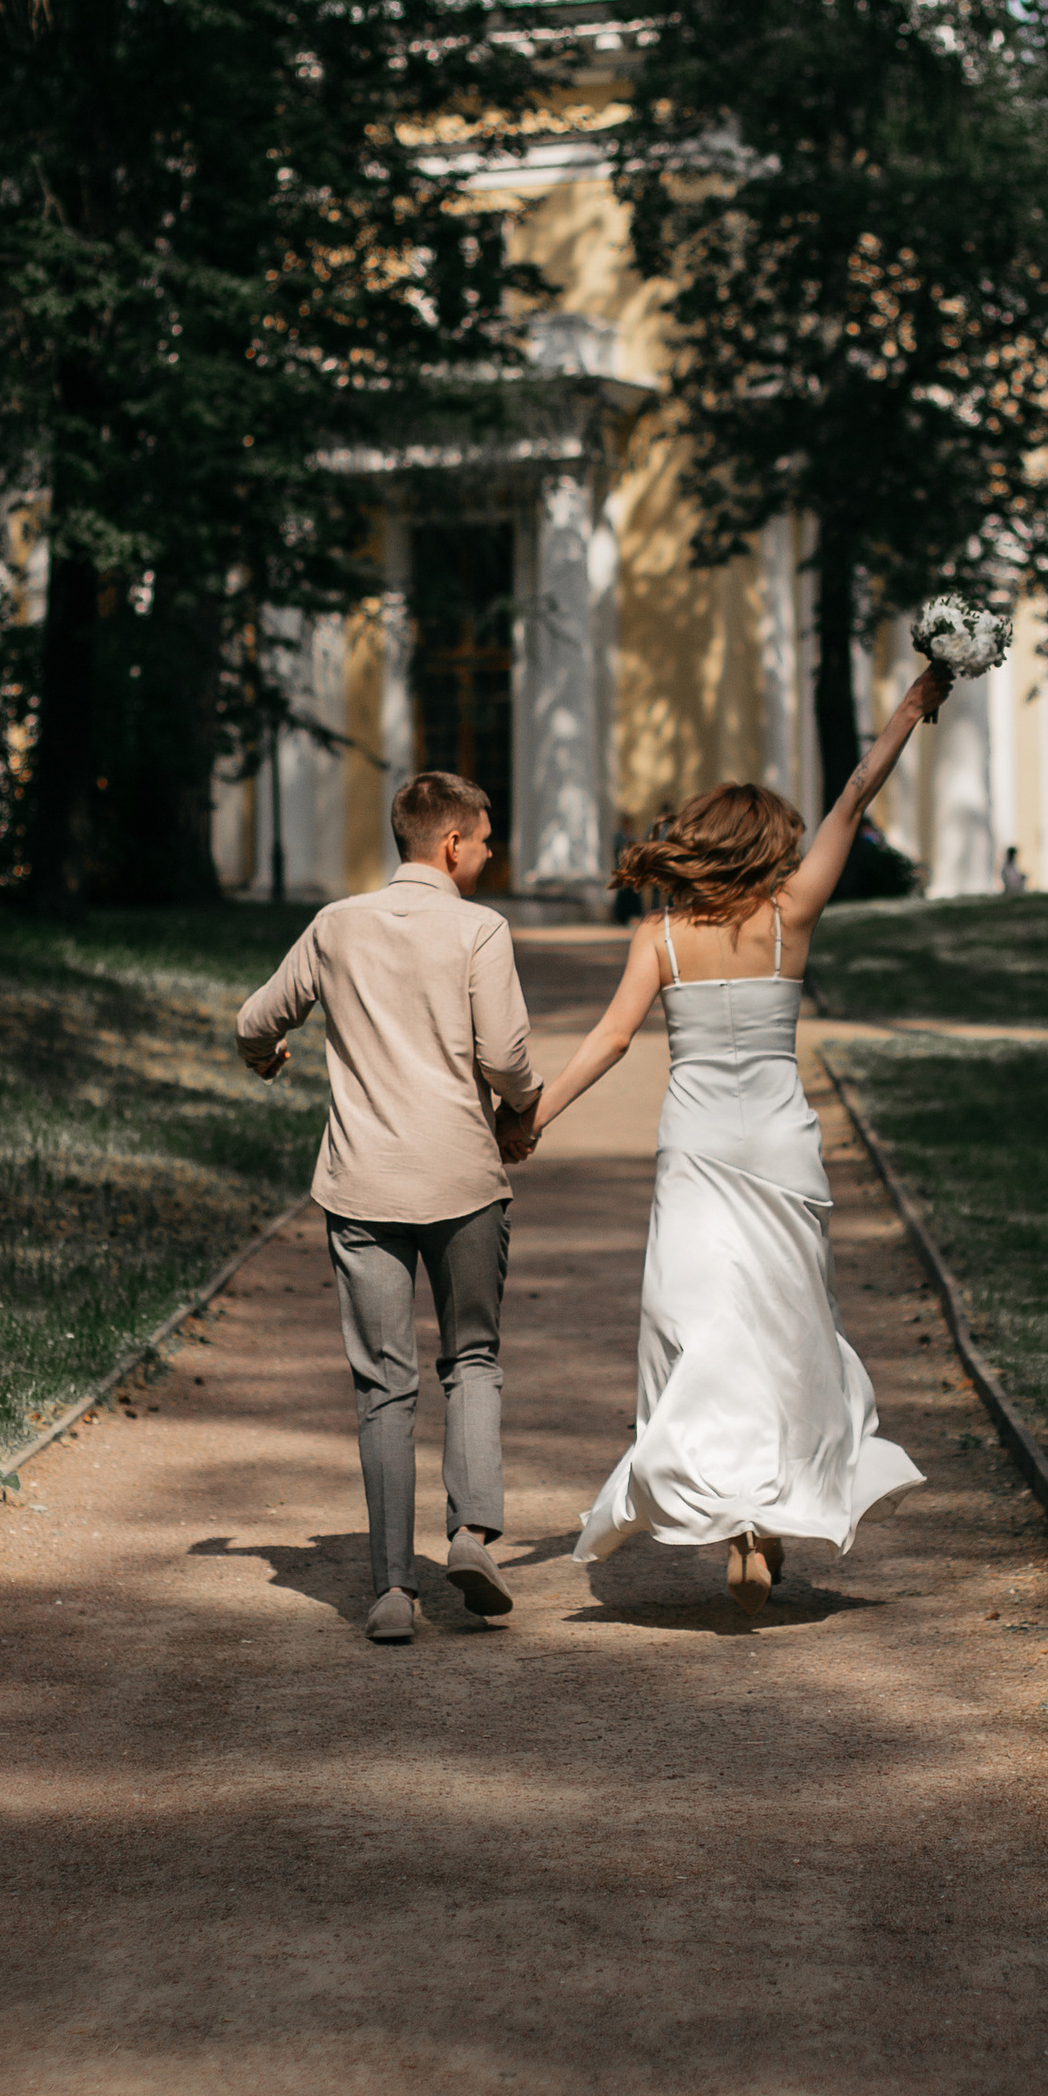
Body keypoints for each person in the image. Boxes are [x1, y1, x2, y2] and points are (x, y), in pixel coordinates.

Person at [528, 666, 950, 1620]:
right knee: (784, 1329)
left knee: (697, 1328)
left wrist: (535, 1116)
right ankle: (764, 1520)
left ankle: (730, 1513)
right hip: (780, 1149)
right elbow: (857, 791)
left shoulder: (661, 938)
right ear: (767, 848)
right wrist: (913, 705)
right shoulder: (788, 917)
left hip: (698, 1151)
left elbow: (606, 1041)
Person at [235, 770, 543, 1645]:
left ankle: (392, 1594)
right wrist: (522, 1107)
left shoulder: (336, 925)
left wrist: (269, 1056)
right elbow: (508, 1057)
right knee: (473, 1358)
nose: (489, 853)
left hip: (362, 1185)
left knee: (383, 1386)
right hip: (461, 1181)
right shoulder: (480, 928)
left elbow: (256, 1020)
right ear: (452, 844)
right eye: (484, 840)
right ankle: (473, 1534)